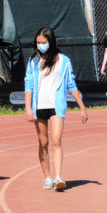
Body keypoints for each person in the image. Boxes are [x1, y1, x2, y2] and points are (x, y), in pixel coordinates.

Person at [24, 27, 88, 191]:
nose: (40, 45)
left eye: (43, 42)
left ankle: (58, 176)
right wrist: (28, 108)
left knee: (56, 141)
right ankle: (47, 177)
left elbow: (71, 84)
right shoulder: (33, 62)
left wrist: (82, 108)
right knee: (43, 142)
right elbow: (29, 85)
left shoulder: (63, 61)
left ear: (50, 42)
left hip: (56, 106)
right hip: (39, 107)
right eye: (38, 43)